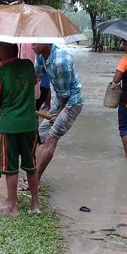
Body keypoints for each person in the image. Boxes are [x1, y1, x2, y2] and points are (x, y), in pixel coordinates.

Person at [0, 42, 40, 216]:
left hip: (9, 127)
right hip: (30, 124)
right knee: (31, 166)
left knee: (11, 169)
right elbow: (31, 84)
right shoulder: (28, 65)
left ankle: (13, 206)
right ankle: (35, 204)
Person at [20, 44, 83, 189]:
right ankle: (32, 174)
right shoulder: (42, 55)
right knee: (40, 136)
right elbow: (35, 78)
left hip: (71, 103)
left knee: (51, 138)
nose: (32, 46)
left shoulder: (60, 63)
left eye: (35, 43)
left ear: (46, 41)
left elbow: (66, 95)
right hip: (59, 101)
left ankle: (34, 181)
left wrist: (60, 114)